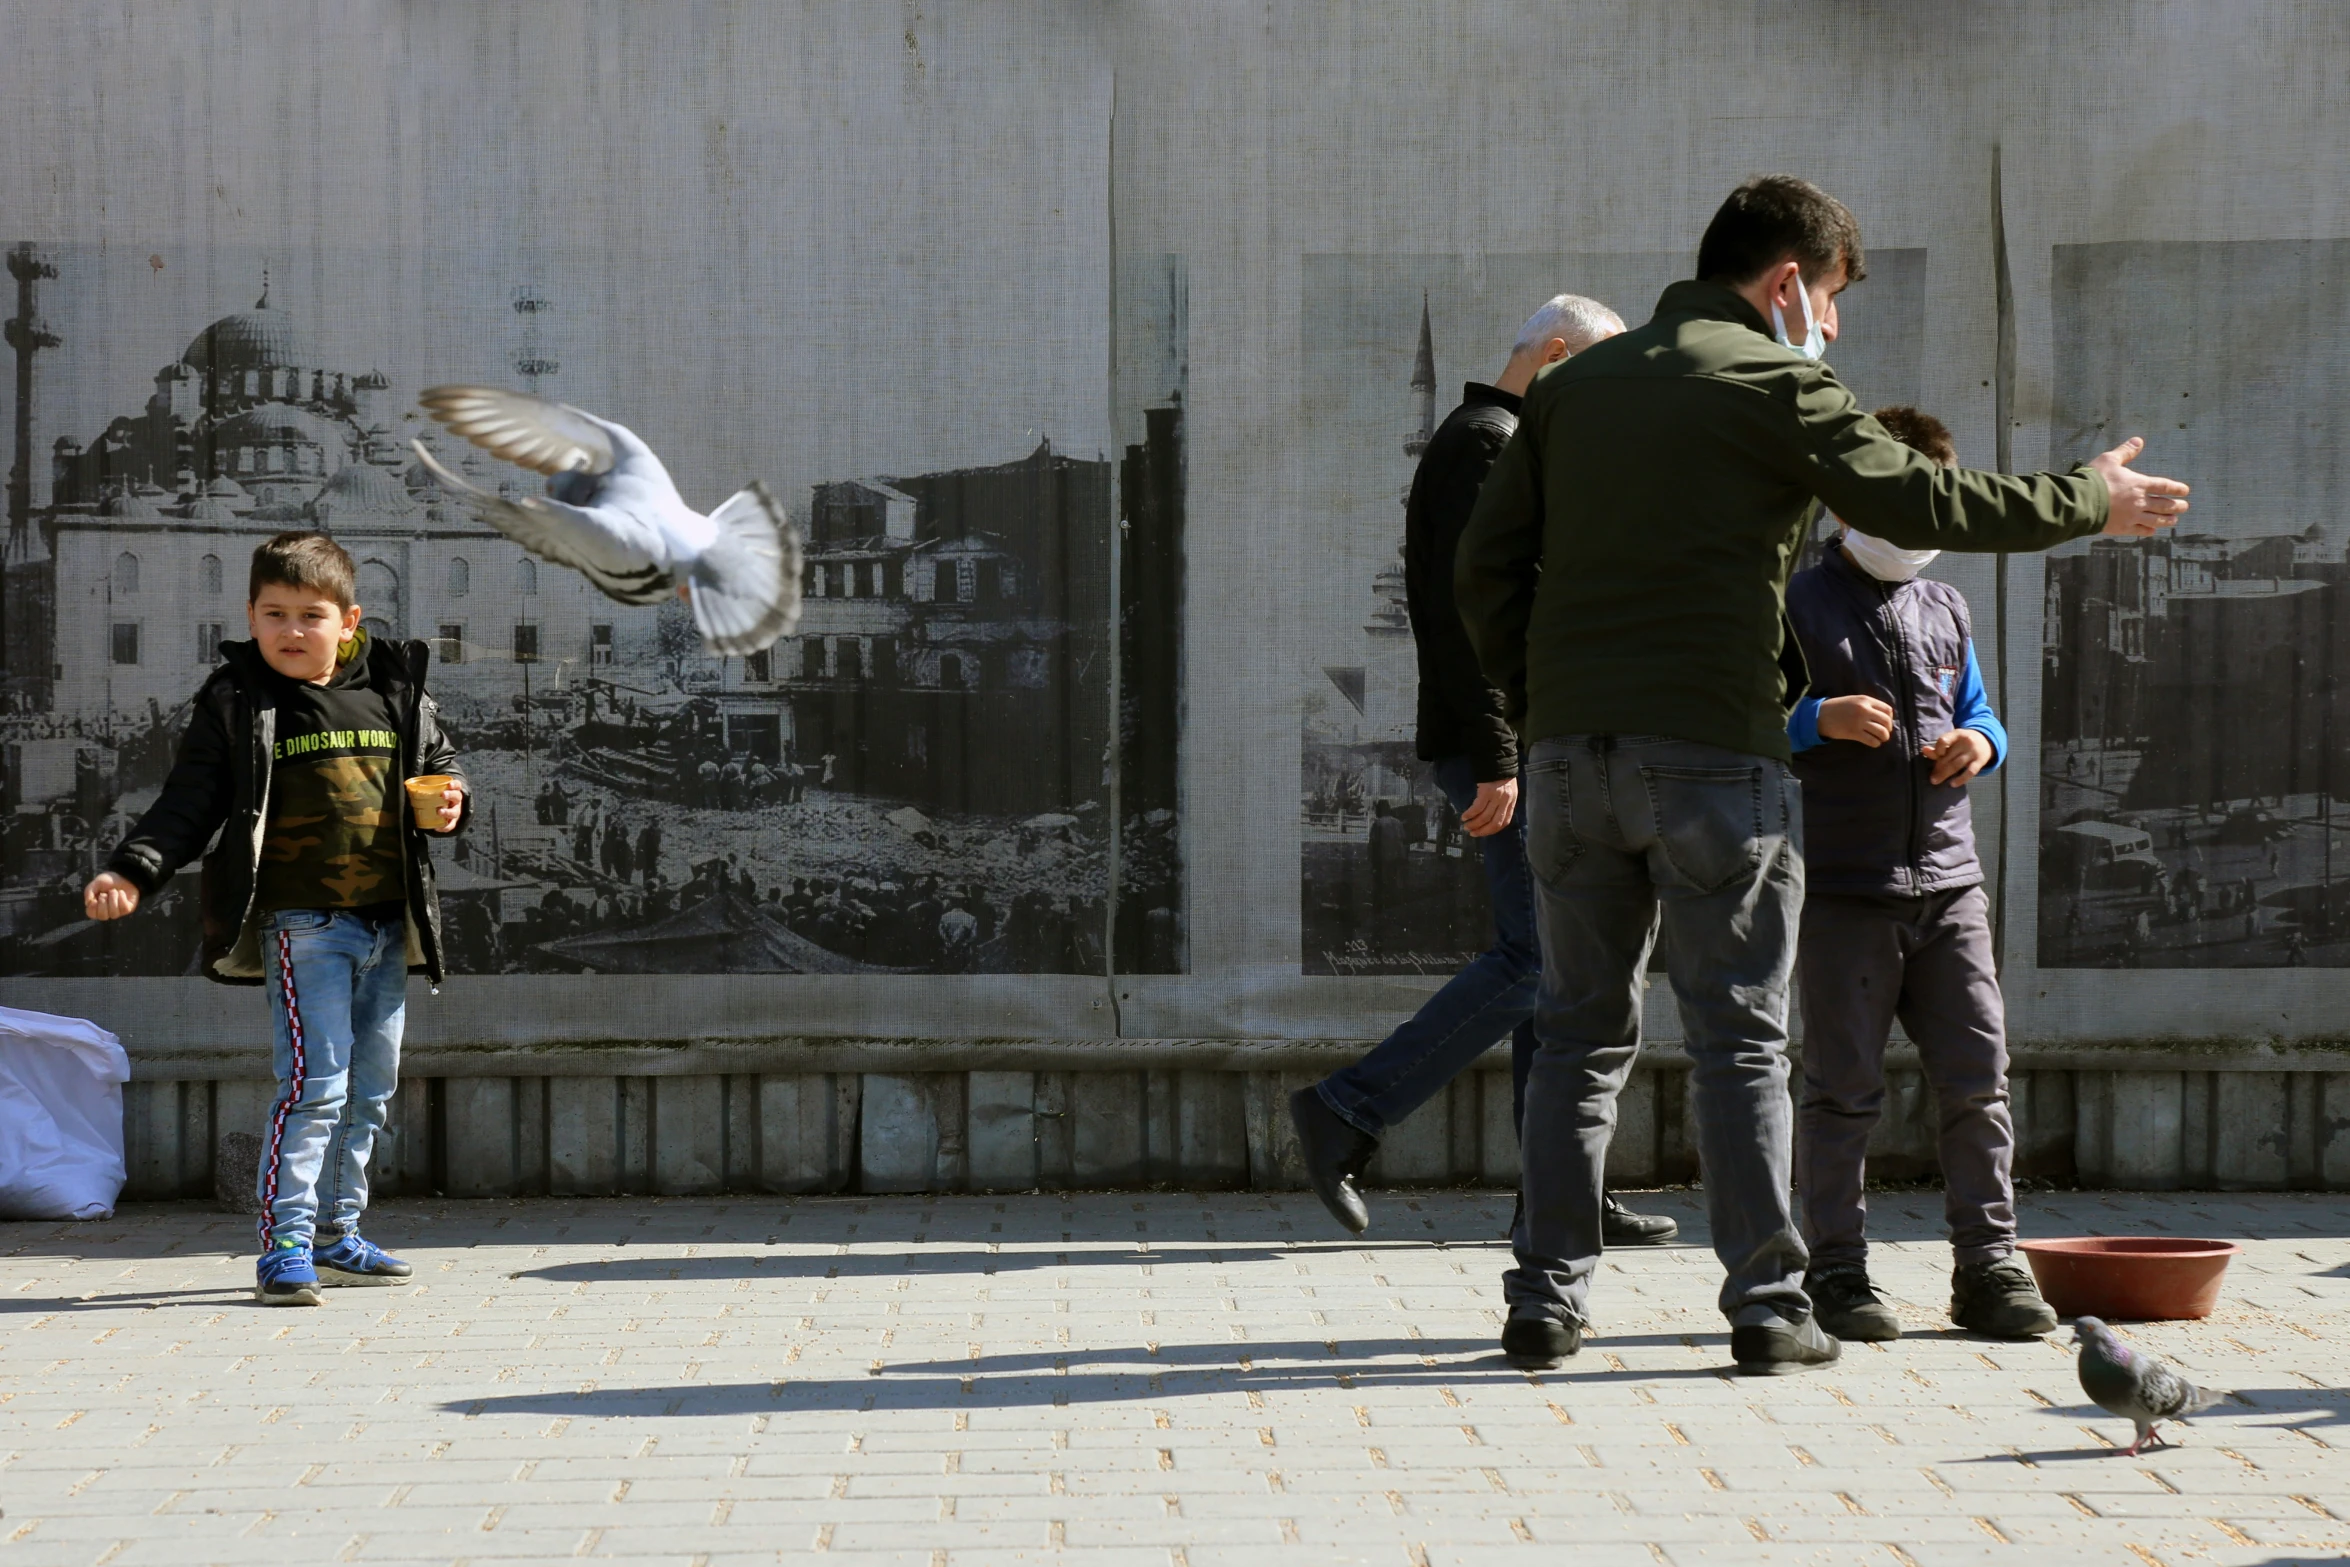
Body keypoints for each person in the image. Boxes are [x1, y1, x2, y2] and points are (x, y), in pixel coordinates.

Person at [1456, 175, 2189, 1375]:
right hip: (1711, 760)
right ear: (1787, 282)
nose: (1835, 327)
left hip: (1573, 760)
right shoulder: (1775, 379)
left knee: (1577, 1033)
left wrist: (1543, 712)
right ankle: (1765, 1306)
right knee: (1737, 1040)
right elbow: (1917, 495)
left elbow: (1487, 567)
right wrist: (2086, 500)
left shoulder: (1575, 386)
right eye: (1834, 296)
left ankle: (1543, 1298)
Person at [1288, 293, 1675, 1249]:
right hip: (1501, 744)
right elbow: (1473, 618)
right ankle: (1347, 1107)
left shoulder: (1488, 437)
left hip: (1515, 739)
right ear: (1553, 356)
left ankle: (1555, 1195)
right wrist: (1501, 758)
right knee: (1541, 958)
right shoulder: (1487, 443)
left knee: (1551, 965)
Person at [82, 531, 469, 1306]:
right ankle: (284, 1243)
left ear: (349, 620)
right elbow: (188, 802)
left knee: (370, 1087)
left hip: (389, 925)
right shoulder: (238, 700)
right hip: (302, 926)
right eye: (274, 613)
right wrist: (132, 870)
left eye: (311, 615)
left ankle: (339, 1234)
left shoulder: (396, 687)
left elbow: (443, 765)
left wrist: (452, 801)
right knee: (313, 1083)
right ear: (251, 617)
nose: (292, 631)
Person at [1780, 405, 2057, 1344]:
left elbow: (1984, 711)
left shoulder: (1946, 606)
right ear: (1849, 504)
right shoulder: (1793, 597)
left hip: (1950, 884)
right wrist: (1816, 719)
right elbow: (1743, 719)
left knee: (1979, 1080)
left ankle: (1988, 1266)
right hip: (1841, 887)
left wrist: (1980, 742)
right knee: (1841, 1090)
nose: (1916, 539)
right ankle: (1836, 1272)